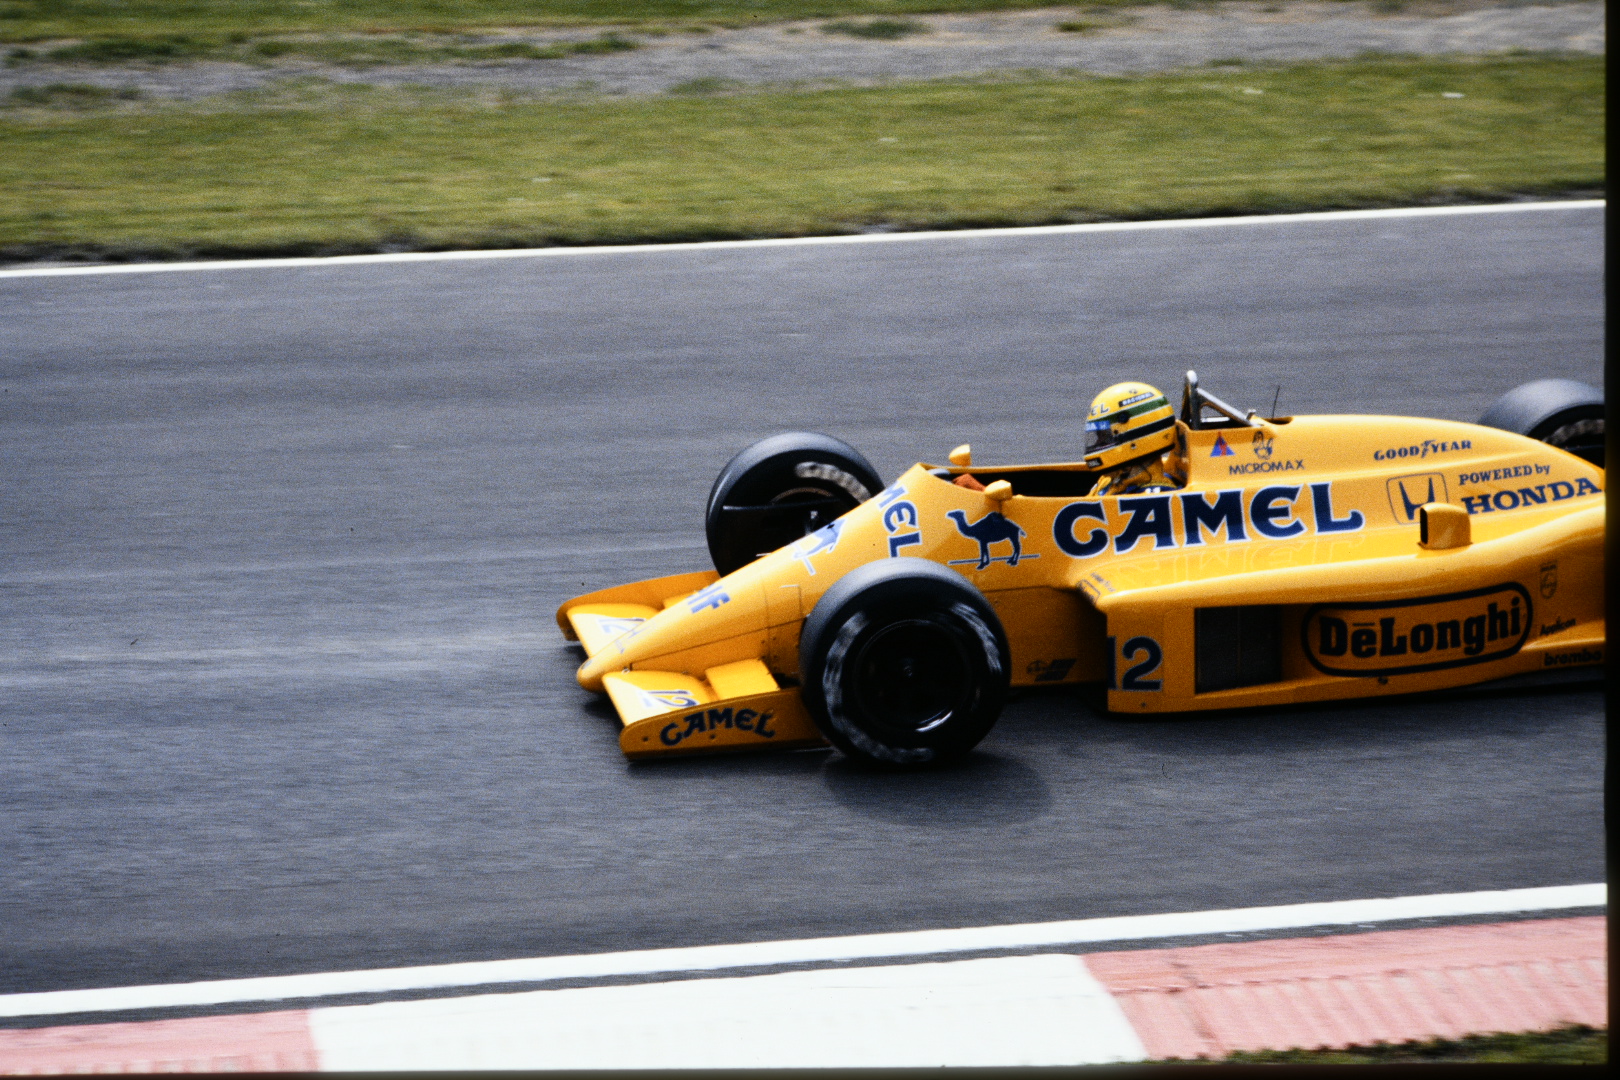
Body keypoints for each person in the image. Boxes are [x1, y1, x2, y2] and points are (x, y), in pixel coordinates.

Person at [1085, 381, 1188, 496]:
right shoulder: (1106, 482)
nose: (1098, 444)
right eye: (1099, 437)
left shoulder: (1158, 497)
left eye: (1105, 438)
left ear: (1135, 437)